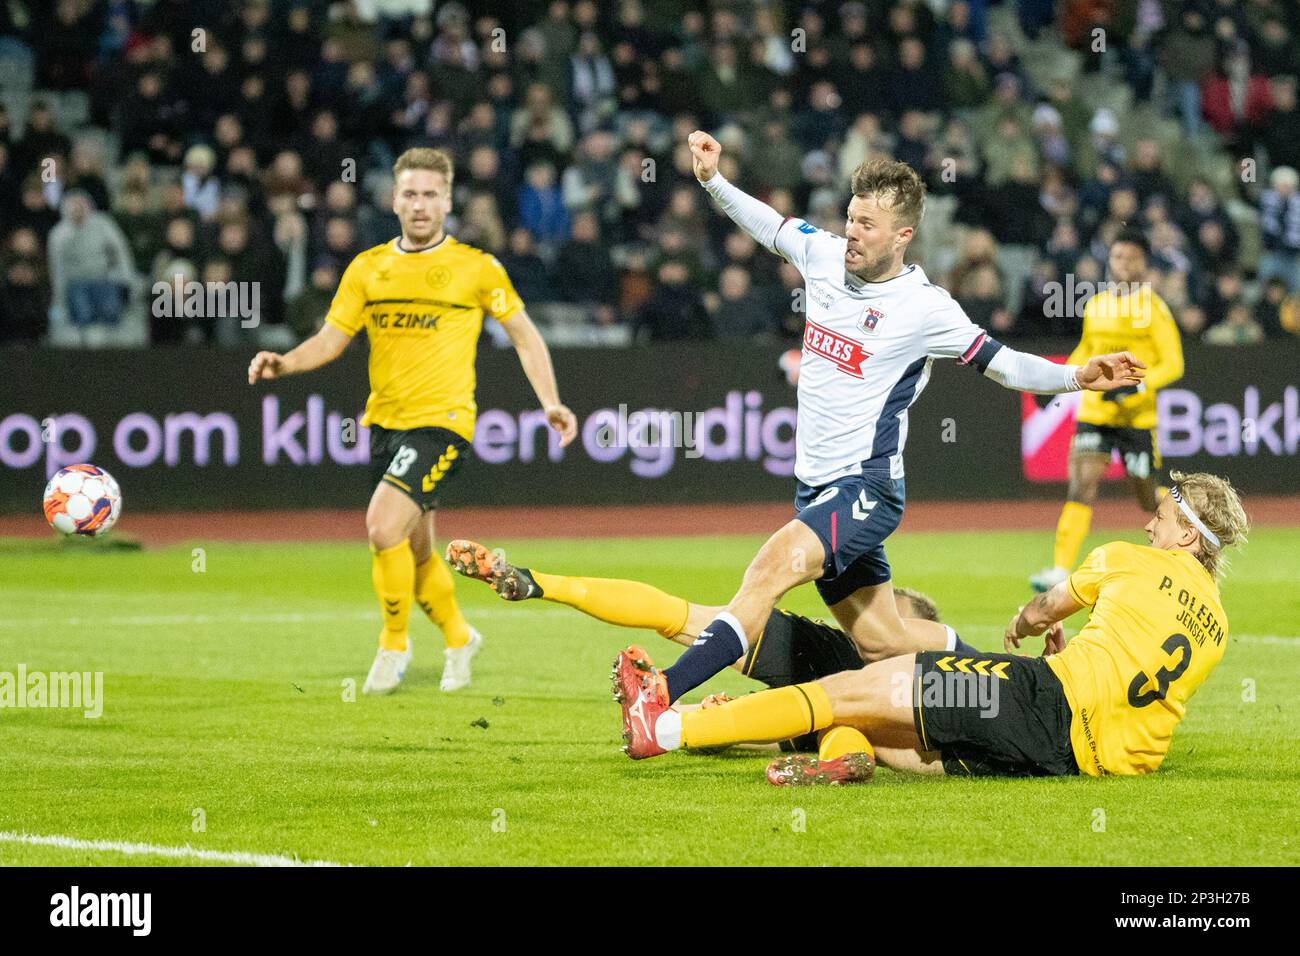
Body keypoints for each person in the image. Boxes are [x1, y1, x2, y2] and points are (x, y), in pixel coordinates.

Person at [614, 130, 1146, 732]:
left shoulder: (927, 308)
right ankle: (1033, 689)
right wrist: (712, 180)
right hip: (816, 489)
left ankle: (658, 697)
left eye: (867, 224)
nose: (853, 233)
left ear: (903, 236)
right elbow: (767, 224)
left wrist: (1079, 376)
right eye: (850, 218)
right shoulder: (823, 254)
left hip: (864, 489)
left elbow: (1003, 365)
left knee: (767, 572)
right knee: (882, 642)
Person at [620, 472, 1247, 786]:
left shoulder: (1129, 558)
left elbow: (1043, 610)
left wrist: (1027, 626)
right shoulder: (1217, 627)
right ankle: (838, 758)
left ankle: (669, 727)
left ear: (1188, 535)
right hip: (1075, 764)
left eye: (1161, 518)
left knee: (849, 688)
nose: (1150, 527)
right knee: (892, 735)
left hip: (1031, 697)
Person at [248, 148, 577, 695]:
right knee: (417, 550)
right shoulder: (368, 268)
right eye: (410, 194)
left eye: (430, 194)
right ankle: (459, 636)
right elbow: (332, 339)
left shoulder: (477, 267)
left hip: (443, 424)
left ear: (447, 201)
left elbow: (523, 333)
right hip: (386, 424)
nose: (420, 204)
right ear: (394, 200)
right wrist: (285, 362)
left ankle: (392, 646)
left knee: (381, 526)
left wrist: (550, 401)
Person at [444, 537, 952, 757]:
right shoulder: (929, 691)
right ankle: (688, 725)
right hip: (859, 707)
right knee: (833, 727)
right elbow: (775, 735)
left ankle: (537, 582)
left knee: (678, 614)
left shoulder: (917, 641)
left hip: (824, 668)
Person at [1031, 229, 1184, 592]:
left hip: (1137, 419)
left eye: (1131, 258)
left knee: (1147, 500)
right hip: (1097, 413)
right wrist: (1055, 382)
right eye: (1118, 257)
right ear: (1109, 260)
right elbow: (1087, 351)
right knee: (1081, 486)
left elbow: (1173, 363)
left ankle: (1190, 518)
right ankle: (1059, 569)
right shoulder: (1098, 305)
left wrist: (1139, 385)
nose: (1124, 264)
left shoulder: (1154, 309)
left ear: (1143, 264)